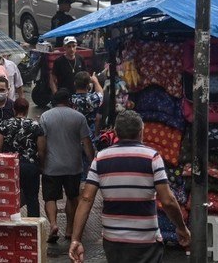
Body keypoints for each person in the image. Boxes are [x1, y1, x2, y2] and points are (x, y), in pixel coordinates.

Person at [69, 111, 190, 263]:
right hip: (146, 241)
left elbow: (86, 199)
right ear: (141, 132)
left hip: (113, 241)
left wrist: (76, 239)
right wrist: (181, 227)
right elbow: (168, 201)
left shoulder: (100, 159)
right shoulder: (152, 157)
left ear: (115, 132)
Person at [40, 89, 94, 243]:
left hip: (51, 165)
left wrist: (41, 163)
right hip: (73, 166)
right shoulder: (79, 117)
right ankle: (70, 229)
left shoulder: (45, 116)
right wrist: (92, 162)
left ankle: (53, 224)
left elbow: (42, 143)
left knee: (50, 198)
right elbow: (87, 143)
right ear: (69, 100)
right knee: (72, 197)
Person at [0, 98, 45, 217]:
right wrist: (41, 166)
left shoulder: (4, 124)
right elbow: (41, 151)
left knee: (8, 197)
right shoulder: (35, 125)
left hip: (10, 166)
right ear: (27, 110)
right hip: (30, 167)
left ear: (13, 109)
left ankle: (9, 222)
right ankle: (33, 227)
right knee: (32, 198)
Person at [71, 72, 104, 137]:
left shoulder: (70, 99)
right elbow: (101, 94)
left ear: (74, 83)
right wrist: (95, 81)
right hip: (89, 136)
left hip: (73, 137)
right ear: (88, 85)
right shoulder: (92, 99)